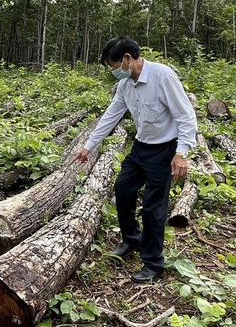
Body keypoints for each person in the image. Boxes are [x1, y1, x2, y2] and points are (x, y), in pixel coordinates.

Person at [69, 36, 197, 283]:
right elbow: (111, 115)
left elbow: (185, 116)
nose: (114, 71)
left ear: (127, 59)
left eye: (114, 66)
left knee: (153, 207)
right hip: (140, 147)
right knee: (123, 189)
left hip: (164, 150)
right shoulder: (125, 85)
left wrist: (181, 153)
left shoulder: (163, 76)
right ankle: (132, 239)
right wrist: (88, 146)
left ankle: (153, 262)